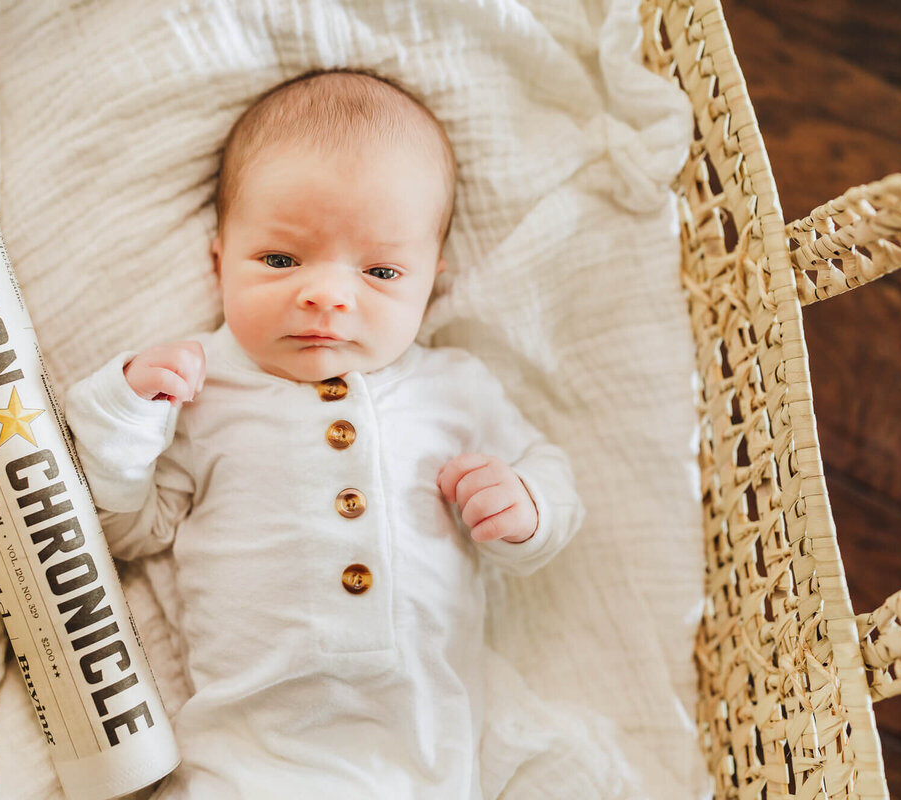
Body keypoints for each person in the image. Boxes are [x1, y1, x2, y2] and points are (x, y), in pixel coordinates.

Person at [65, 67, 585, 799]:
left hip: (426, 752)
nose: (326, 294)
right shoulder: (199, 386)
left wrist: (527, 507)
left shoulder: (455, 388)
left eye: (379, 271)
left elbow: (553, 476)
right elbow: (132, 533)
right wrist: (127, 420)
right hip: (248, 749)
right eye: (280, 260)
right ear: (220, 264)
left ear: (429, 282)